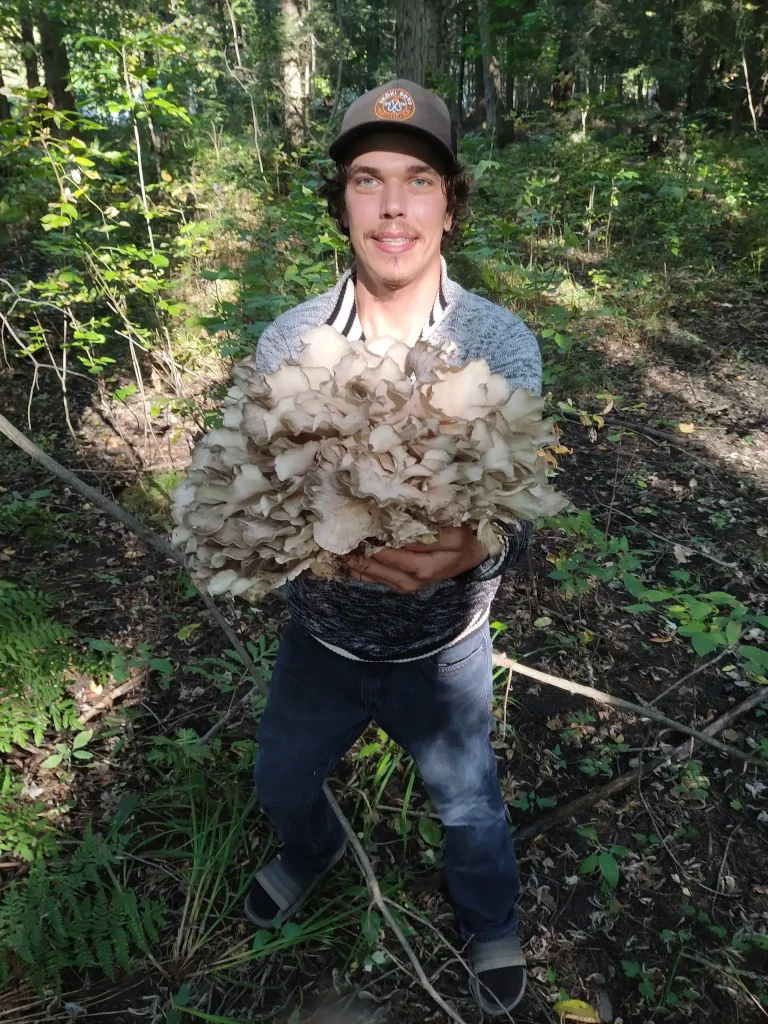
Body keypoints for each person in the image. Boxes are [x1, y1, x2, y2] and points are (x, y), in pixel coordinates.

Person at [245, 79, 542, 1017]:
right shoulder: (289, 337)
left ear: (449, 206)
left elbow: (519, 503)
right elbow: (253, 484)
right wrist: (281, 538)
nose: (392, 205)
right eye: (367, 180)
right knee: (281, 775)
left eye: (418, 180)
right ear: (341, 206)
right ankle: (311, 849)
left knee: (470, 807)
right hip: (321, 643)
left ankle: (490, 918)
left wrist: (479, 549)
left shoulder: (498, 341)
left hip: (442, 650)